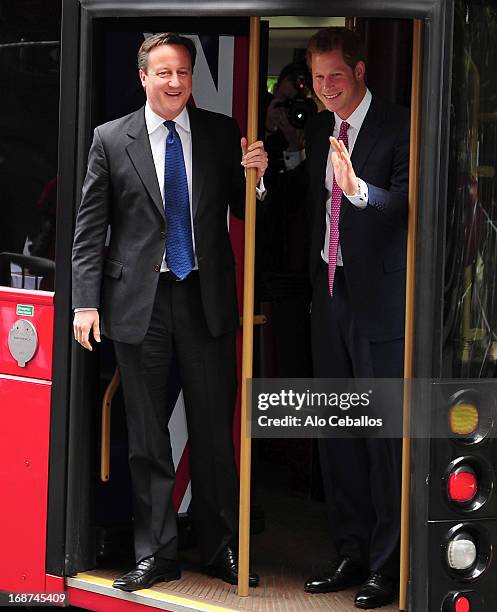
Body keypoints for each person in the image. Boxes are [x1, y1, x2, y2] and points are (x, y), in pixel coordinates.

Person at [72, 32, 267, 592]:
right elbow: (90, 233)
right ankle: (156, 554)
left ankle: (223, 546)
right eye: (164, 73)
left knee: (212, 433)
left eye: (182, 72)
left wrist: (257, 178)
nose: (175, 82)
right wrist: (86, 303)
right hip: (139, 304)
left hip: (204, 298)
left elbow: (243, 207)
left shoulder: (219, 132)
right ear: (143, 77)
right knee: (147, 439)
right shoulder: (111, 139)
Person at [302, 27, 409, 609]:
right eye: (318, 79)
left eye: (335, 76)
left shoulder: (397, 124)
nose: (326, 89)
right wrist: (262, 176)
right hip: (330, 295)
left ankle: (385, 566)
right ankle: (349, 553)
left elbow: (405, 202)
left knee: (381, 439)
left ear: (361, 71)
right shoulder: (320, 126)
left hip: (379, 305)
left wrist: (358, 187)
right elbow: (305, 205)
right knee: (336, 433)